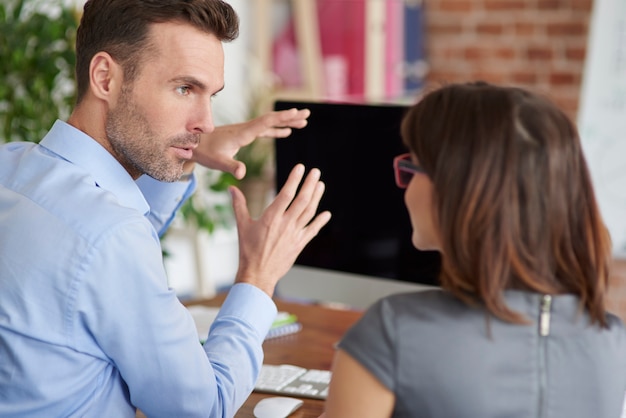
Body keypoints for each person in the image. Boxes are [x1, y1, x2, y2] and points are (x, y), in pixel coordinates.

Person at [0, 0, 331, 417]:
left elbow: (93, 256)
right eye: (184, 89)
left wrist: (185, 153)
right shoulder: (111, 235)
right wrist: (258, 276)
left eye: (210, 95)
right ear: (105, 77)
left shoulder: (11, 166)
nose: (206, 123)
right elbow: (202, 409)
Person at [322, 82, 626, 418]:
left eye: (413, 167)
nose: (405, 189)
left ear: (455, 190)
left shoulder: (392, 332)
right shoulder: (612, 342)